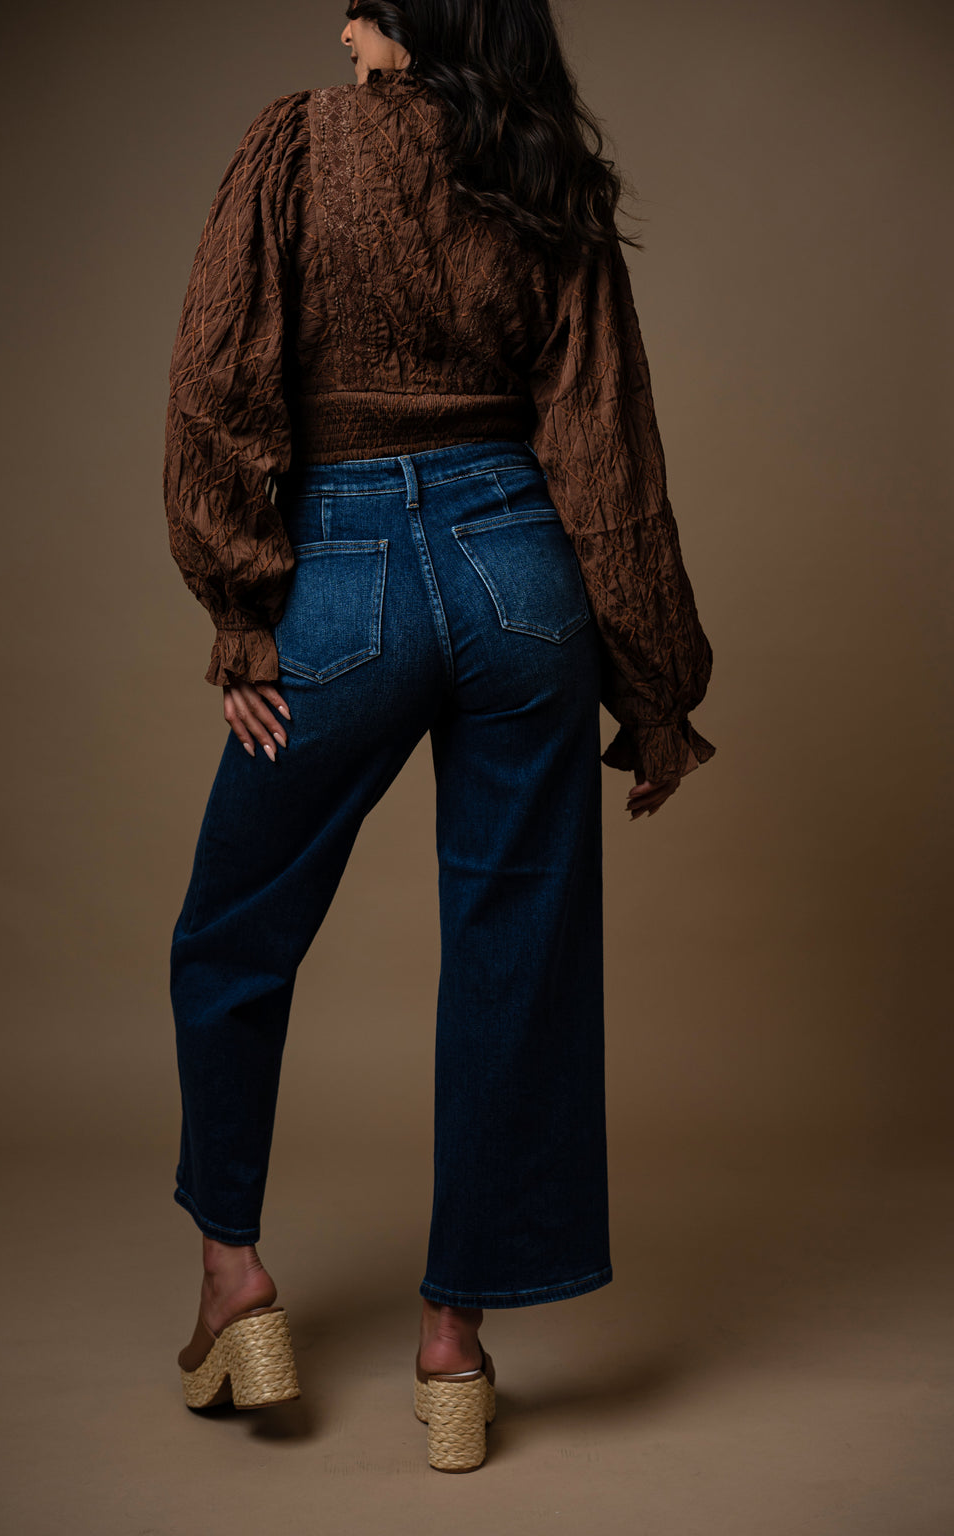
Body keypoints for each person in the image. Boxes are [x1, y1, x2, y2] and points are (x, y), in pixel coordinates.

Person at [162, 0, 715, 1472]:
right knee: (512, 954)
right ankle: (454, 1341)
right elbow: (605, 443)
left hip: (337, 581)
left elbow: (219, 378)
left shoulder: (293, 148)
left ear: (404, 22)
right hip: (519, 573)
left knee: (231, 936)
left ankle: (234, 1279)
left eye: (362, 7)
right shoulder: (542, 173)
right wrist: (653, 686)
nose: (342, 28)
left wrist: (241, 604)